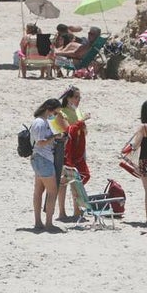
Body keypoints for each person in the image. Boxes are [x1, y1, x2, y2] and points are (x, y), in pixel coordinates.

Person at [54, 87, 91, 222]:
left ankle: (77, 209)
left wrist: (82, 124)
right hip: (66, 150)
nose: (78, 100)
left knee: (78, 179)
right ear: (68, 98)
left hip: (80, 148)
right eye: (76, 97)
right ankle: (62, 211)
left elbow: (84, 131)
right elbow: (67, 130)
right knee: (64, 181)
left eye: (79, 97)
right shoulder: (62, 112)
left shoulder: (77, 112)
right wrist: (81, 123)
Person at [28, 98, 63, 232]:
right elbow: (40, 142)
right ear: (49, 109)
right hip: (43, 159)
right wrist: (54, 137)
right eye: (55, 112)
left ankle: (38, 222)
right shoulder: (39, 123)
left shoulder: (46, 122)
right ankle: (48, 222)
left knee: (39, 191)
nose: (55, 115)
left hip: (41, 159)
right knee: (52, 191)